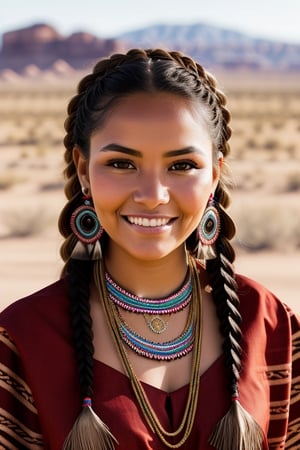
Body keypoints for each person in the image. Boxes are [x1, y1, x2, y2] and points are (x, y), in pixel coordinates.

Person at [0, 48, 299, 450]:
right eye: (122, 164)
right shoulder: (24, 337)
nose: (153, 196)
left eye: (182, 166)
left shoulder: (269, 324)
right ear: (83, 169)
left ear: (214, 175)